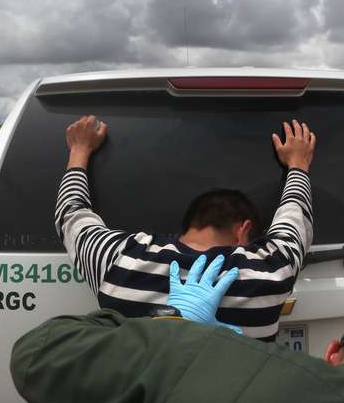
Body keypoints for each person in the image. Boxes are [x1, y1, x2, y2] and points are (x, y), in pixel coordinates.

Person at [11, 255, 344, 403]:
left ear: (332, 352)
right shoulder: (279, 255)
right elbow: (289, 237)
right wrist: (299, 171)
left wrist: (174, 325)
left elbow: (37, 353)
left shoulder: (189, 354)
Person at [55, 115, 316, 339]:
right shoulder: (271, 272)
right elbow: (294, 214)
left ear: (191, 223)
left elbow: (72, 213)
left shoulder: (119, 260)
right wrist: (298, 164)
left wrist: (79, 150)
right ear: (243, 229)